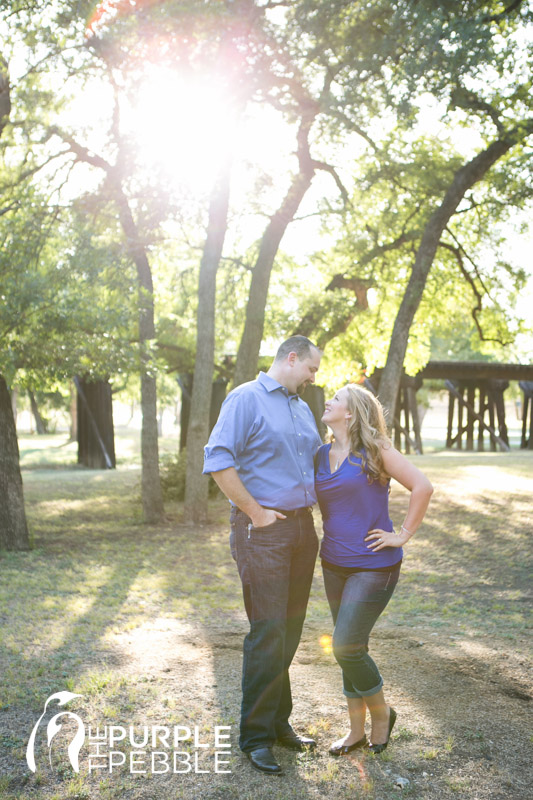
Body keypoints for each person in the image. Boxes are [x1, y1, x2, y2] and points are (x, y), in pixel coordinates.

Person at [203, 336, 322, 775]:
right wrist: (255, 512)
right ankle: (254, 737)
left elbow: (317, 463)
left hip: (302, 530)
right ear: (291, 359)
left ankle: (278, 723)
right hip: (263, 531)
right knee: (268, 631)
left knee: (289, 632)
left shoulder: (301, 408)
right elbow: (217, 460)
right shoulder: (245, 399)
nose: (314, 377)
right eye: (311, 368)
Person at [315, 384, 433, 756]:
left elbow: (422, 486)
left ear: (350, 413)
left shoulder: (376, 450)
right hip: (333, 563)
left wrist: (403, 535)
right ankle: (354, 732)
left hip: (373, 565)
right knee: (351, 647)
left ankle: (382, 717)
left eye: (336, 399)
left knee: (345, 646)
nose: (328, 402)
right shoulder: (320, 454)